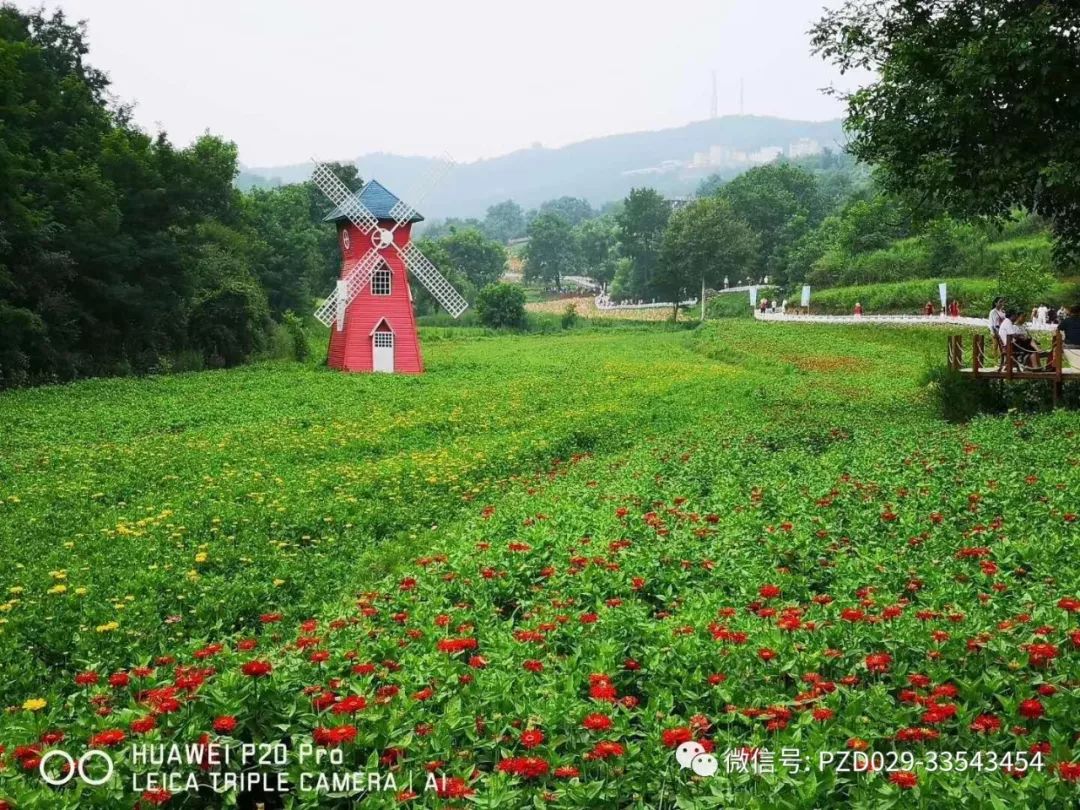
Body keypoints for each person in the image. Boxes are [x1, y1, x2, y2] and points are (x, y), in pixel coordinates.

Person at [1059, 305, 1080, 369]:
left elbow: (1057, 331)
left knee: (1057, 344)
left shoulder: (1066, 321)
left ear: (1070, 312)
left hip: (1069, 345)